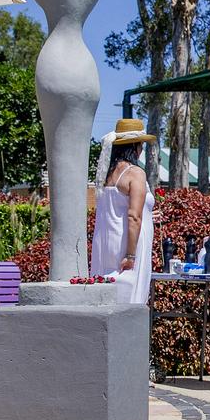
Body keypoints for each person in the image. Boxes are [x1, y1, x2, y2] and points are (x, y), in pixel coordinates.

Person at [90, 118, 156, 304]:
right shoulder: (135, 173)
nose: (142, 150)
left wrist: (150, 213)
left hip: (106, 242)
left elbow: (116, 206)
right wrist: (130, 255)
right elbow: (133, 216)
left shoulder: (106, 174)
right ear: (134, 147)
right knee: (131, 295)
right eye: (141, 145)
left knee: (105, 295)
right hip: (129, 243)